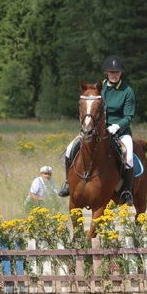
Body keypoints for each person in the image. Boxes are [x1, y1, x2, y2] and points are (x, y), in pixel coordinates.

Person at [58, 54, 136, 206]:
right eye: (111, 72)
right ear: (106, 72)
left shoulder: (127, 91)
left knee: (129, 157)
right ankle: (68, 183)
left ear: (121, 73)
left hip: (120, 131)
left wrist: (116, 126)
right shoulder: (97, 88)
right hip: (94, 130)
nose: (114, 75)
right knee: (69, 149)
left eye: (117, 72)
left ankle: (127, 191)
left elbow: (129, 116)